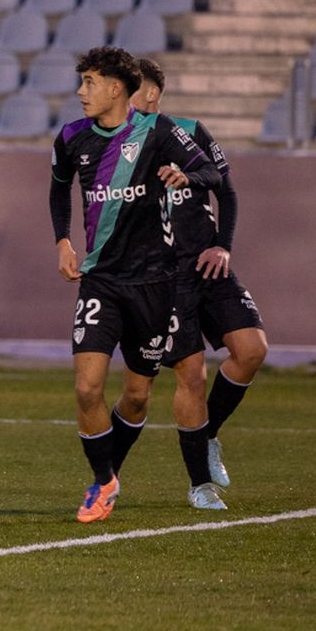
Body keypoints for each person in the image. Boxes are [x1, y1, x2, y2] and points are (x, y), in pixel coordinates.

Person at [50, 47, 223, 524]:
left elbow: (213, 172)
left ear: (115, 88)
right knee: (87, 389)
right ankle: (104, 482)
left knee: (138, 396)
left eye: (89, 82)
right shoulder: (71, 137)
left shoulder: (159, 132)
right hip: (100, 281)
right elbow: (58, 186)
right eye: (81, 81)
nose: (81, 91)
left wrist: (185, 173)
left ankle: (112, 476)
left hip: (155, 284)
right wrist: (63, 240)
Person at [132, 59, 267, 494]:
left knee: (251, 349)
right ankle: (199, 485)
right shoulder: (119, 143)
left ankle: (209, 435)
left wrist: (222, 244)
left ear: (152, 93)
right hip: (167, 277)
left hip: (208, 263)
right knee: (190, 376)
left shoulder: (191, 129)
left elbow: (225, 188)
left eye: (129, 87)